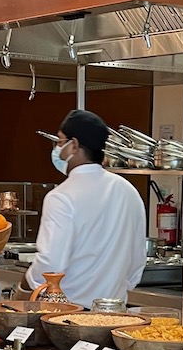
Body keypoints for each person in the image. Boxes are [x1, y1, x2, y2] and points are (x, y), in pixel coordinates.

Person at [24, 110, 147, 307]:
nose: (57, 148)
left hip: (68, 315)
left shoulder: (61, 197)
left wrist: (26, 285)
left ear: (74, 145)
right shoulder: (129, 191)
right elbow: (137, 261)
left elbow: (50, 266)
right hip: (114, 314)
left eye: (59, 141)